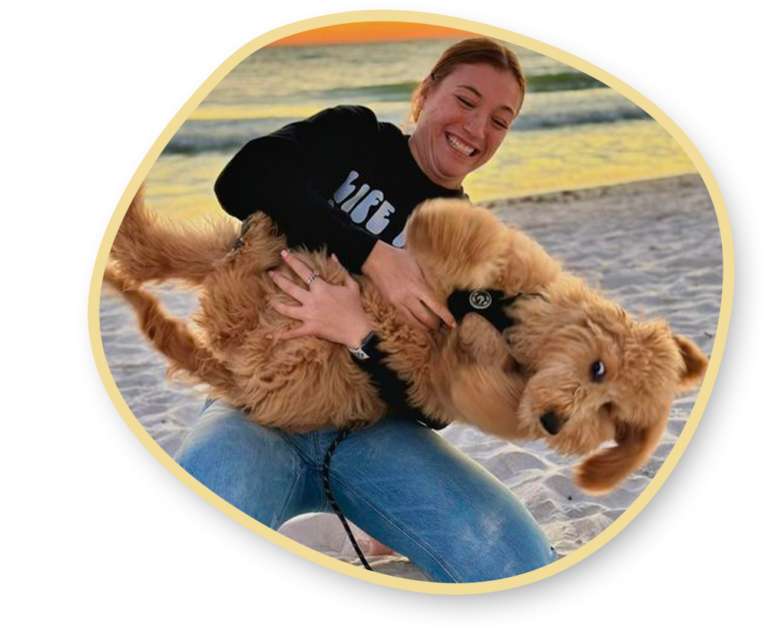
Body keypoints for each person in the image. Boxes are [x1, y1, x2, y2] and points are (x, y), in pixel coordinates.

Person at [174, 37, 558, 582]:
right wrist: (374, 256)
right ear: (426, 94)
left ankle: (378, 523)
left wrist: (357, 331)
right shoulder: (353, 136)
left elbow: (436, 407)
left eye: (500, 119)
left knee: (516, 561)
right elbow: (243, 176)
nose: (477, 129)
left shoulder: (474, 249)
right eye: (466, 101)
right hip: (253, 408)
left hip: (372, 435)